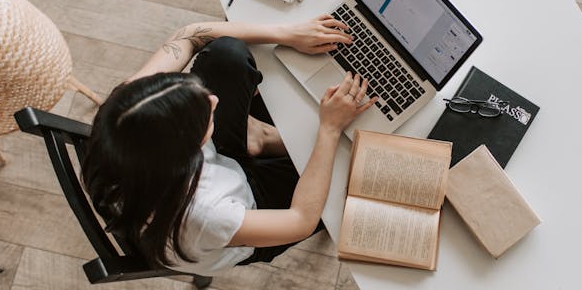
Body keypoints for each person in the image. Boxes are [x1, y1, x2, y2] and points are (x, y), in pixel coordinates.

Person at [82, 15, 377, 276]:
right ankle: (259, 138)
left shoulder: (126, 110)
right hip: (247, 211)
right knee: (353, 177)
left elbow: (190, 35)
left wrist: (287, 33)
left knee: (226, 53)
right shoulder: (207, 215)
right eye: (204, 114)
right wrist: (329, 129)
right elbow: (300, 220)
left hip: (206, 174)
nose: (213, 100)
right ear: (187, 151)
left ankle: (256, 138)